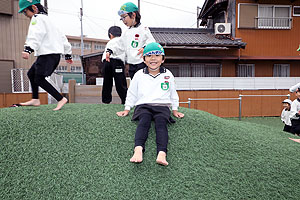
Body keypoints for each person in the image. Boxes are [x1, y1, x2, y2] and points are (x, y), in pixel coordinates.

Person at [116, 42, 184, 166]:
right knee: (144, 122)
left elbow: (173, 93)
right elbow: (132, 93)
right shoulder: (138, 75)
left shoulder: (168, 74)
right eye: (149, 56)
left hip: (162, 106)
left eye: (157, 55)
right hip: (143, 106)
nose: (153, 58)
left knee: (161, 124)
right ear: (144, 59)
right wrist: (127, 109)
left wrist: (175, 110)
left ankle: (162, 153)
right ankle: (138, 150)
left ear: (163, 59)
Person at [18, 0, 72, 111]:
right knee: (31, 73)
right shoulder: (50, 21)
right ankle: (35, 99)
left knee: (39, 78)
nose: (25, 15)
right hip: (53, 55)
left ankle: (61, 99)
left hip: (47, 55)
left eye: (25, 11)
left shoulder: (36, 18)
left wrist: (28, 49)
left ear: (34, 8)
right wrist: (68, 54)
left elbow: (35, 34)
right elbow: (63, 38)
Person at [106, 2, 155, 79]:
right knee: (134, 85)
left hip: (142, 64)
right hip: (131, 65)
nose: (123, 20)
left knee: (143, 84)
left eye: (124, 17)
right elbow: (119, 45)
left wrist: (145, 48)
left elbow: (151, 42)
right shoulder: (126, 32)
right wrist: (110, 51)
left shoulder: (143, 29)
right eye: (121, 18)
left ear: (133, 15)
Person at [101, 26, 127, 104]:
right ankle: (125, 100)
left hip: (107, 62)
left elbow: (113, 48)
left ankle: (106, 101)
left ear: (110, 34)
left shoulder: (111, 41)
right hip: (117, 63)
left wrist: (109, 51)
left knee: (107, 82)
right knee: (120, 82)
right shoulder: (121, 40)